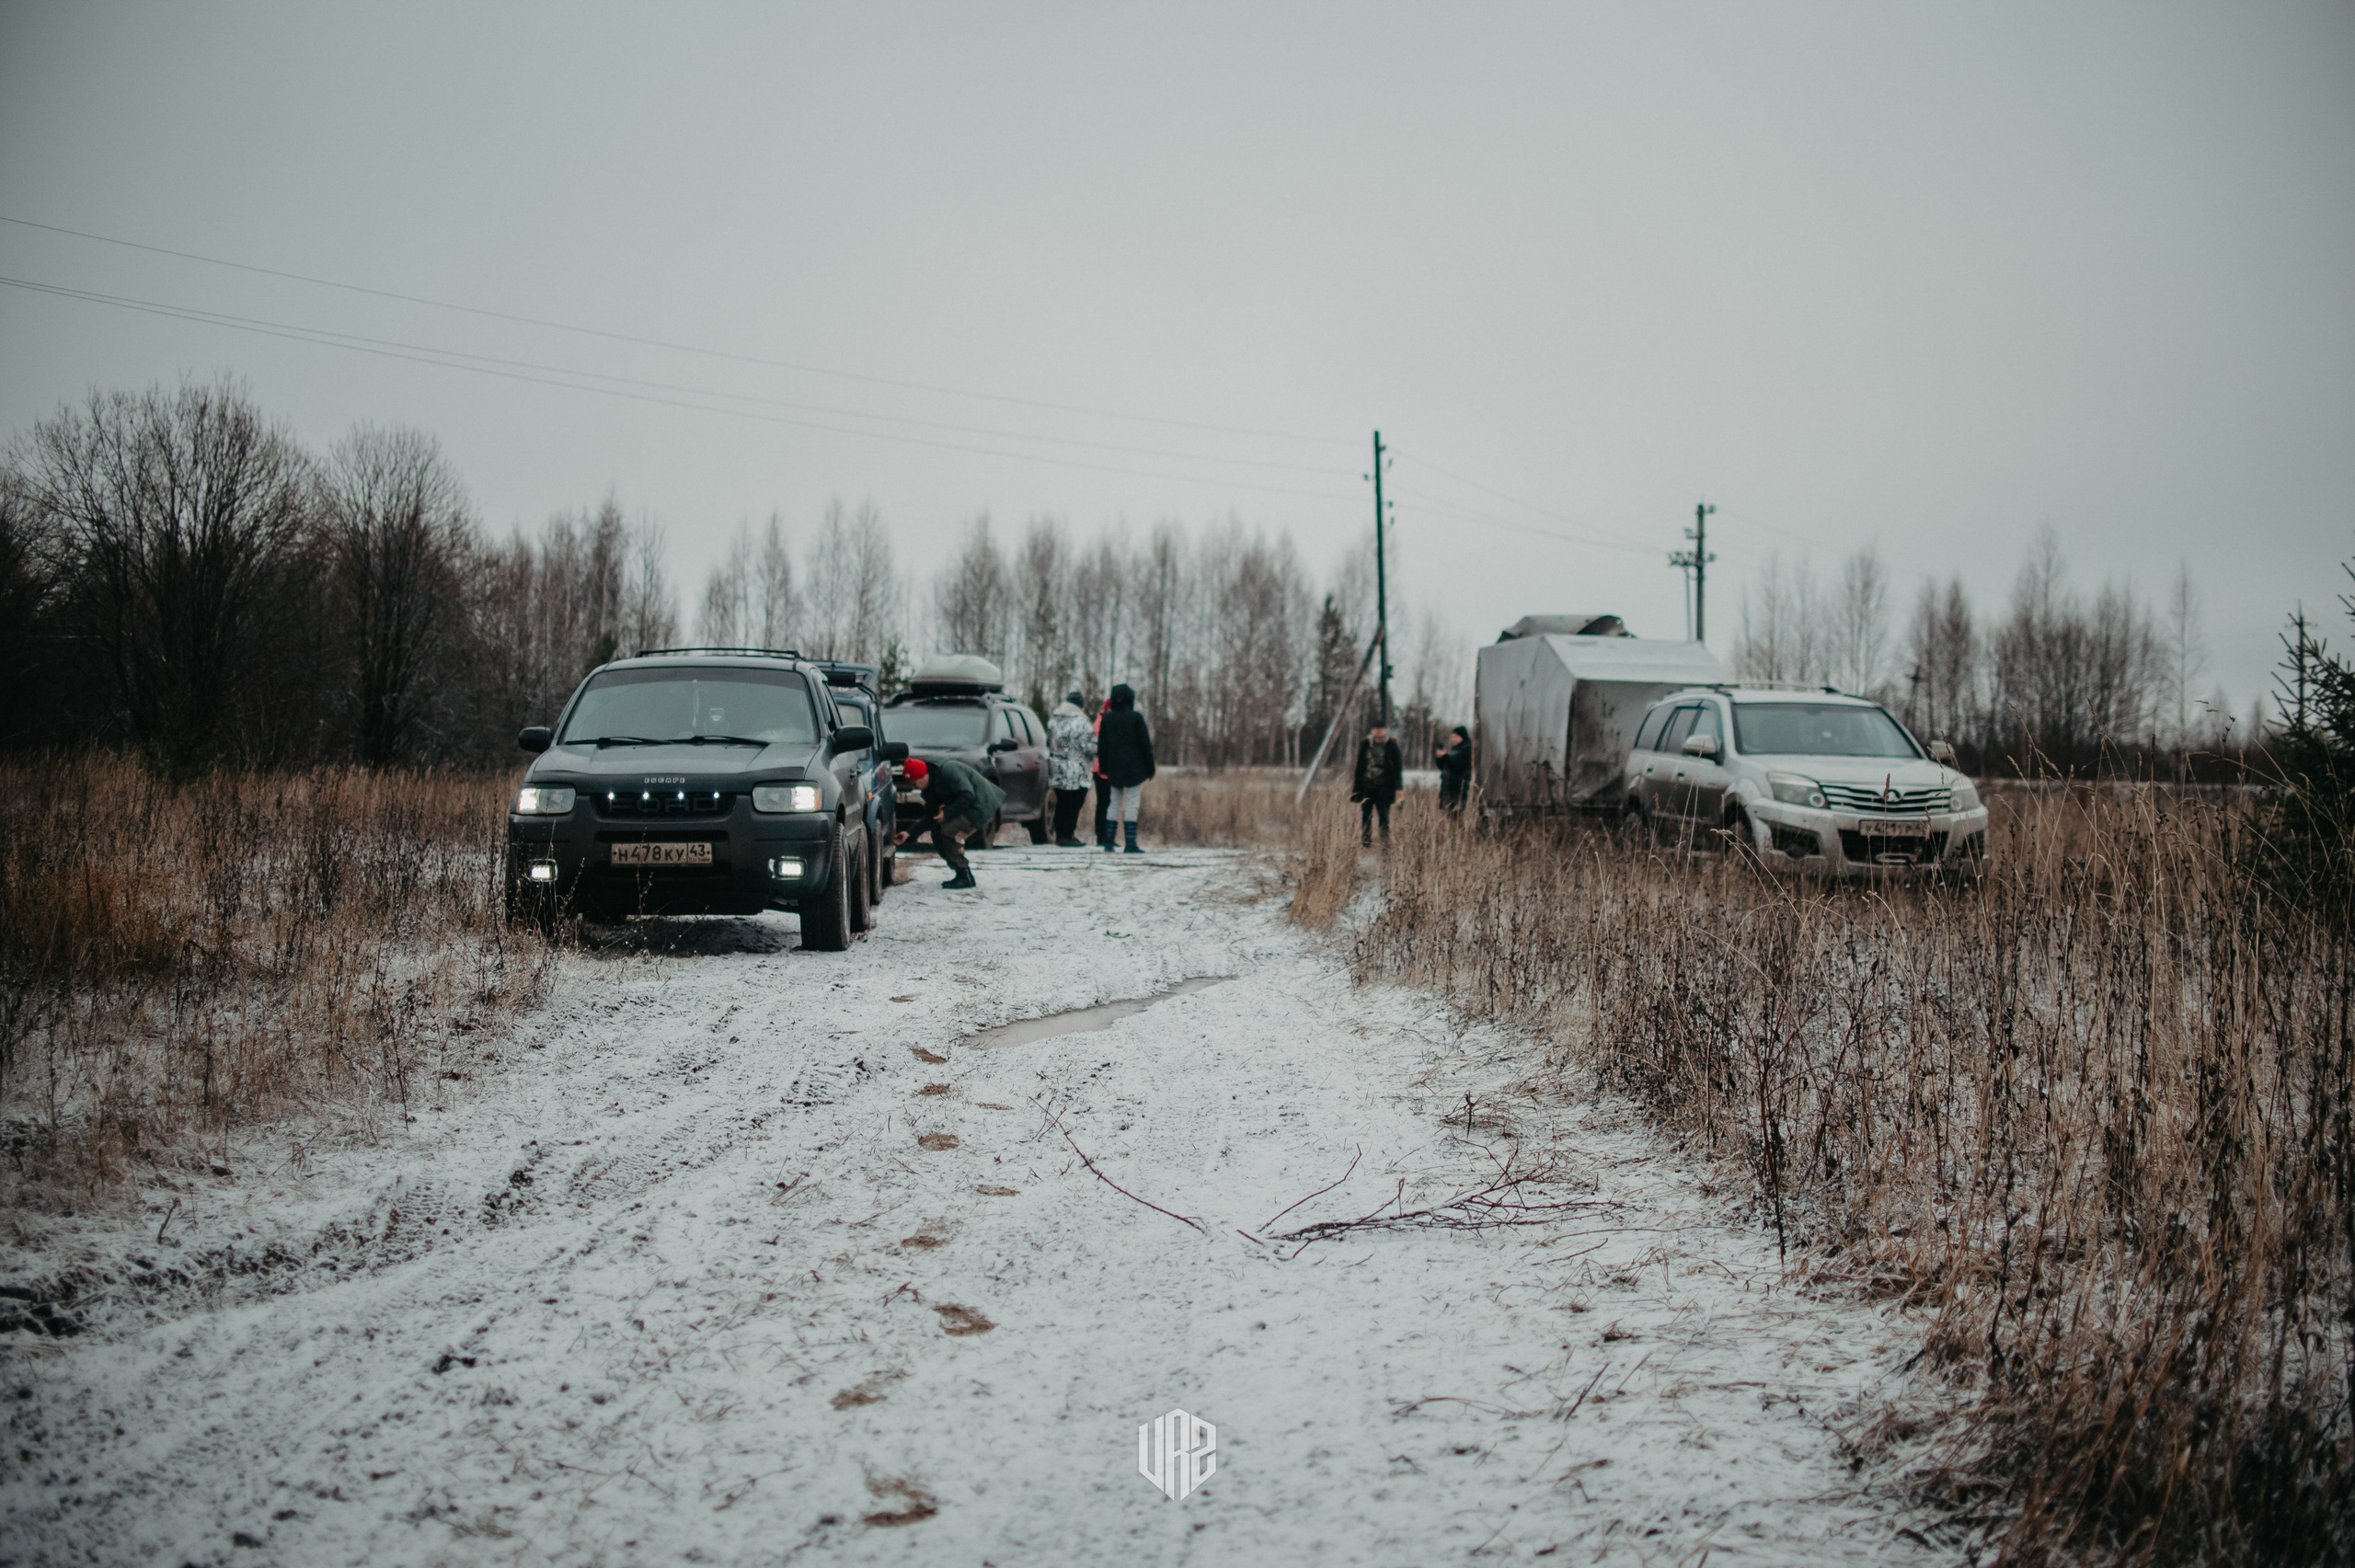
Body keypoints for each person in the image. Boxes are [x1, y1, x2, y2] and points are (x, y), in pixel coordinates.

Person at [892, 755, 1004, 890]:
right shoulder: (928, 790)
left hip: (981, 803)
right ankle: (960, 873)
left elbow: (967, 795)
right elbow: (931, 817)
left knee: (949, 831)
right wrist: (909, 833)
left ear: (923, 776)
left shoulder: (949, 770)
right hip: (966, 804)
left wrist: (947, 813)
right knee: (937, 833)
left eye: (915, 783)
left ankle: (965, 876)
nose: (914, 786)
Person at [1095, 682, 1155, 853]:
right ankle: (1130, 843)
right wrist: (1150, 768)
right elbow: (1145, 745)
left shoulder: (1107, 718)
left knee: (1113, 803)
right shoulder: (1136, 718)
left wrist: (1103, 768)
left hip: (1114, 769)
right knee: (1131, 804)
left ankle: (1108, 842)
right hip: (1135, 769)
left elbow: (1102, 746)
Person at [1046, 689, 1097, 847]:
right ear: (1080, 706)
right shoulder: (1082, 723)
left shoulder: (1053, 720)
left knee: (1061, 801)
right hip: (1077, 769)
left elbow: (1048, 742)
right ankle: (1068, 835)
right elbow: (1088, 746)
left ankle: (1060, 834)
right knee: (1074, 803)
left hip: (1057, 767)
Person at [1350, 722, 1404, 845]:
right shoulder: (1366, 745)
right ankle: (1366, 843)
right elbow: (1359, 767)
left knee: (1384, 817)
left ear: (1385, 730)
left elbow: (1397, 768)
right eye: (1376, 728)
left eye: (1382, 729)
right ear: (1372, 730)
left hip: (1384, 788)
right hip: (1367, 786)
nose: (1379, 731)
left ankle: (1384, 843)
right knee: (1366, 816)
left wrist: (1399, 787)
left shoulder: (1391, 745)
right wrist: (1356, 788)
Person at [1435, 725, 1472, 812]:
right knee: (1447, 814)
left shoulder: (1466, 750)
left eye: (1456, 737)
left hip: (1458, 788)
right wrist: (1440, 758)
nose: (1453, 739)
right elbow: (1444, 767)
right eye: (1452, 737)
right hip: (1448, 788)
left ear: (1462, 737)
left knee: (1456, 815)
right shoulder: (1454, 749)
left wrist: (1445, 757)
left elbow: (1458, 766)